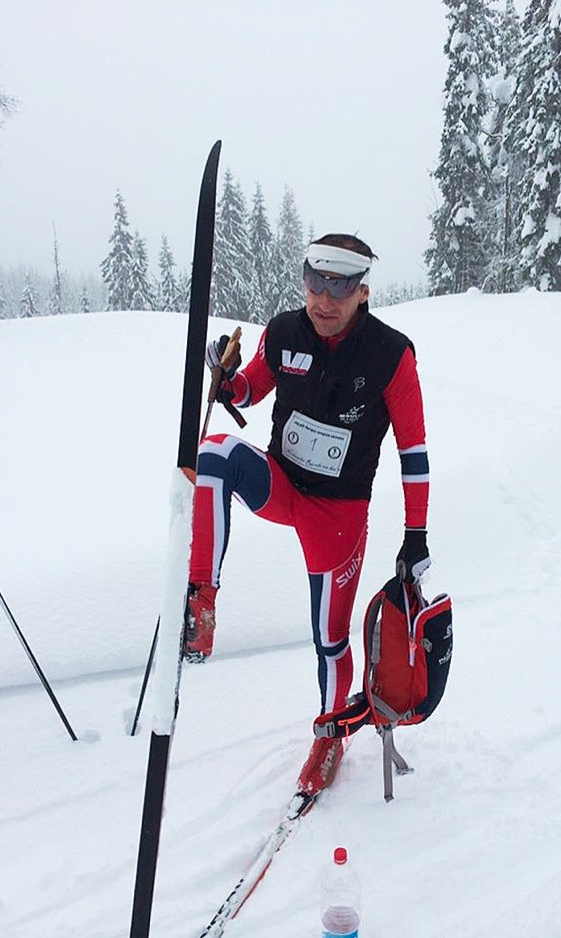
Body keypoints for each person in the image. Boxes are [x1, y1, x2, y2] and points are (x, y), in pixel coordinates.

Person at [185, 232, 431, 796]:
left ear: (362, 292)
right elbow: (251, 390)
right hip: (284, 483)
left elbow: (414, 455)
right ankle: (201, 604)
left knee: (329, 637)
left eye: (338, 288)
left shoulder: (393, 355)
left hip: (338, 516)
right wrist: (226, 381)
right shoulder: (285, 332)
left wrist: (415, 536)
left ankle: (328, 737)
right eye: (314, 283)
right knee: (213, 455)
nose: (323, 300)